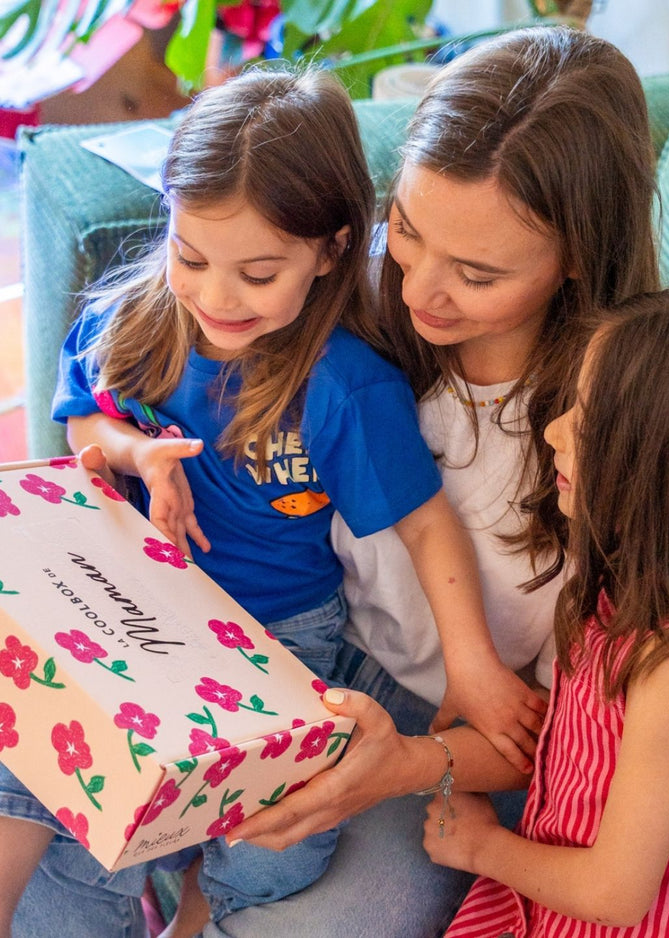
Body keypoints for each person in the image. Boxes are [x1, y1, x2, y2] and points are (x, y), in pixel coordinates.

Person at [0, 65, 520, 938]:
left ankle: (204, 905)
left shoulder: (345, 388)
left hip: (279, 638)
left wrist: (473, 669)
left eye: (257, 272)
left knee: (276, 848)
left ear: (329, 251)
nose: (214, 297)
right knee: (62, 815)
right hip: (138, 603)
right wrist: (138, 453)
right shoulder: (137, 316)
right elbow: (86, 418)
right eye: (192, 257)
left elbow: (428, 526)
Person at [203, 24, 661, 938]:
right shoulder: (347, 300)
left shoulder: (614, 423)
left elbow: (556, 740)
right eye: (407, 229)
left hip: (472, 741)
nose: (420, 291)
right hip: (313, 654)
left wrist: (407, 765)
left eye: (479, 273)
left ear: (576, 257)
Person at [426, 287, 669, 936]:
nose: (553, 431)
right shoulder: (620, 588)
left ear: (667, 470)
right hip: (552, 887)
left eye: (586, 416)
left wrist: (479, 847)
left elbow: (615, 894)